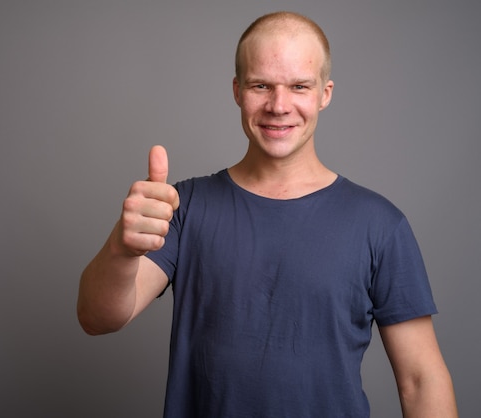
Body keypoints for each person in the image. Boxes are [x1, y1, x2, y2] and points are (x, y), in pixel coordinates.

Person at [77, 11, 458, 418]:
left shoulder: (381, 225)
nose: (279, 106)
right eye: (262, 85)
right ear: (238, 90)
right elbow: (97, 318)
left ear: (325, 94)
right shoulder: (183, 206)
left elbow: (420, 380)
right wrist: (121, 248)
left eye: (299, 86)